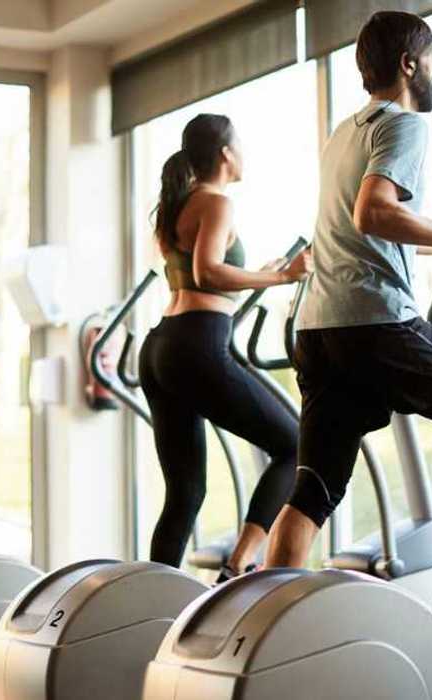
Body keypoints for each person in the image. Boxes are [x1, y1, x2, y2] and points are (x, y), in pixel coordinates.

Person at [263, 10, 432, 612]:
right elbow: (373, 213)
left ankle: (265, 616)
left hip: (317, 326)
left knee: (316, 484)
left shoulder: (344, 133)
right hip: (372, 319)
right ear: (410, 64)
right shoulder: (403, 125)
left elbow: (373, 229)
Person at [138, 113, 312, 582]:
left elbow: (198, 277)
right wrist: (282, 275)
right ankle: (239, 565)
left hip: (161, 347)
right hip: (197, 344)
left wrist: (260, 273)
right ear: (226, 155)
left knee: (185, 492)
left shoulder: (176, 204)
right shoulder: (216, 202)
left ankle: (146, 604)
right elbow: (207, 273)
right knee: (295, 445)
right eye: (241, 145)